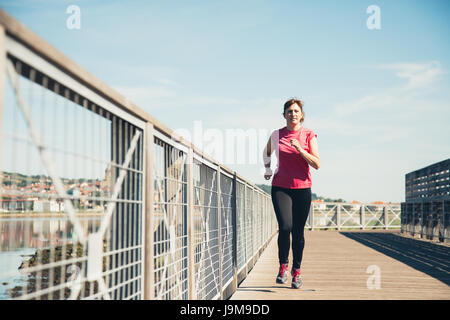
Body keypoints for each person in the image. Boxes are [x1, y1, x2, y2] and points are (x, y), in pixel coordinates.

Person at [262, 98, 320, 289]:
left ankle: (297, 272)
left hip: (303, 188)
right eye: (289, 111)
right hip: (281, 187)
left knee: (298, 232)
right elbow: (266, 152)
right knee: (285, 226)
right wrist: (268, 169)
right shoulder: (277, 135)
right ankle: (283, 266)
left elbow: (317, 164)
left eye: (296, 111)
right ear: (284, 114)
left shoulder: (309, 135)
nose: (293, 114)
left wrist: (300, 149)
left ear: (301, 115)